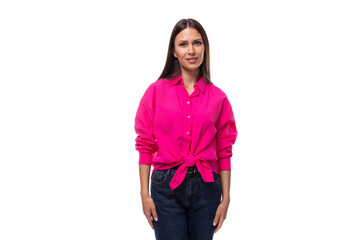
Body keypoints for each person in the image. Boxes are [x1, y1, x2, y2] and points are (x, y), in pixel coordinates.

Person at [134, 18, 238, 240]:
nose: (191, 50)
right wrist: (144, 193)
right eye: (183, 44)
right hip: (165, 186)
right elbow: (145, 144)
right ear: (173, 51)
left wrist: (226, 198)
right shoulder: (155, 92)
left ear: (205, 47)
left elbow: (224, 150)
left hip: (207, 186)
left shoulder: (219, 98)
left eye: (197, 43)